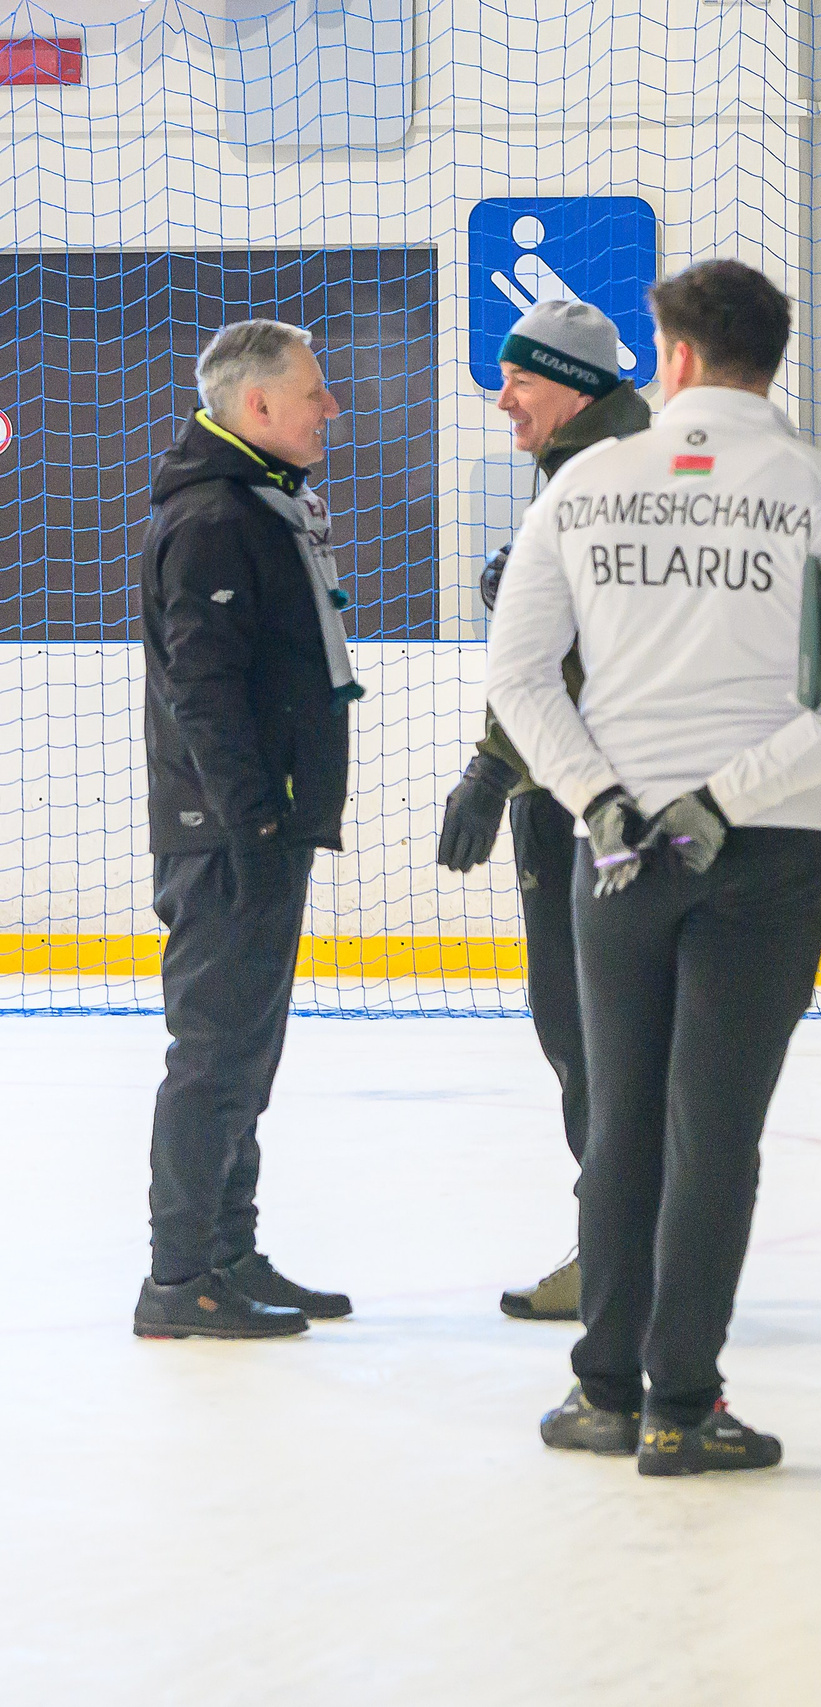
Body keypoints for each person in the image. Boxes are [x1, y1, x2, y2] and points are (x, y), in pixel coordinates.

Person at [487, 260, 821, 1474]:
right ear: (771, 357)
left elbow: (517, 679)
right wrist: (715, 801)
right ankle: (682, 1405)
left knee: (621, 1119)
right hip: (764, 852)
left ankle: (603, 1393)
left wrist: (606, 803)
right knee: (714, 1130)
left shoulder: (583, 488)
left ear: (669, 358)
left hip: (614, 858)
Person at [132, 320, 359, 1340]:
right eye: (315, 392)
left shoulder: (261, 503)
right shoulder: (216, 517)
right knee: (216, 1054)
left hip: (254, 825)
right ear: (257, 405)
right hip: (227, 832)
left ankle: (229, 1252)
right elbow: (202, 686)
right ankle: (179, 1281)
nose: (331, 408)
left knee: (244, 1055)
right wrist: (252, 817)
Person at [435, 300, 652, 1323]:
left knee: (591, 1033)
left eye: (520, 378)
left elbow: (555, 666)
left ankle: (623, 1263)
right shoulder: (588, 463)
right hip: (591, 795)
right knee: (595, 1034)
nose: (503, 397)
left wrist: (490, 771)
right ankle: (631, 1251)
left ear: (573, 383)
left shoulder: (600, 474)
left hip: (588, 799)